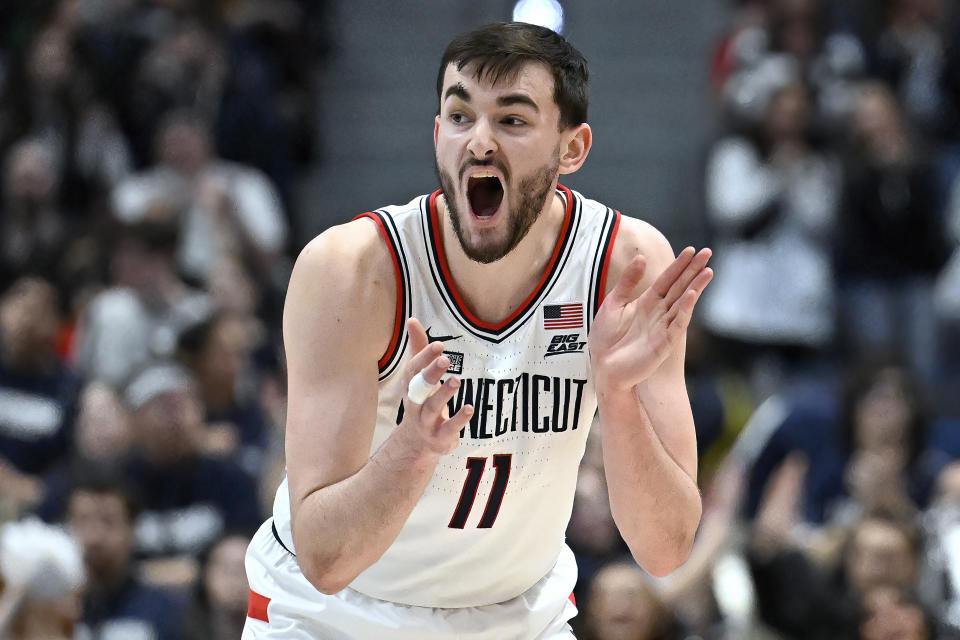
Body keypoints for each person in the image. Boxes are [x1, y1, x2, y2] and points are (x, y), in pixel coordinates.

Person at [243, 22, 713, 639]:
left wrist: (619, 401)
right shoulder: (353, 271)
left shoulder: (623, 266)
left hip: (521, 615)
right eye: (460, 117)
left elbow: (666, 548)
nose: (479, 143)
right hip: (338, 614)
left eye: (512, 121)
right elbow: (326, 559)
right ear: (438, 133)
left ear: (571, 148)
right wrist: (415, 448)